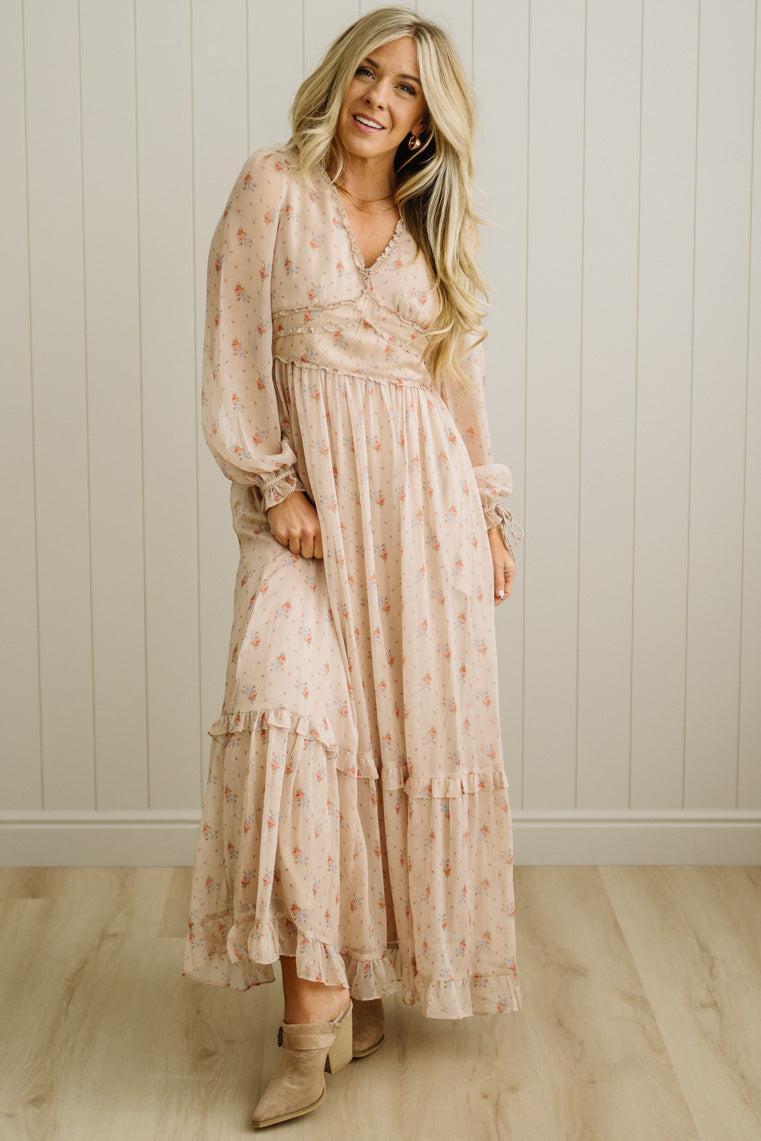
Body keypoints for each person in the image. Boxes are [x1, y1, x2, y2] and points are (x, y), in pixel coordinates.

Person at [181, 5, 525, 1128]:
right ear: (340, 76)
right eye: (369, 71)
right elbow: (234, 346)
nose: (380, 96)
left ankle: (356, 991)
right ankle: (306, 1029)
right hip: (308, 521)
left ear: (427, 118)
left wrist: (487, 514)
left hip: (421, 520)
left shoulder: (433, 225)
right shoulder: (273, 189)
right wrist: (274, 485)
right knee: (289, 727)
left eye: (407, 86)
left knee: (391, 749)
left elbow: (456, 386)